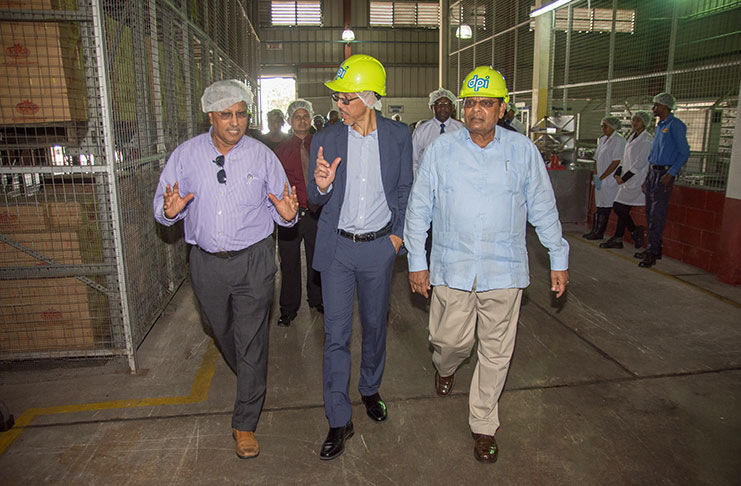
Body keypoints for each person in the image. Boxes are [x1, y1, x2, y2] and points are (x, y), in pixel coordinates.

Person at [404, 66, 569, 464]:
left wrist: (558, 257)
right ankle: (445, 367)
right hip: (452, 268)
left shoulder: (522, 151)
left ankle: (483, 424)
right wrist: (416, 260)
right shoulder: (441, 151)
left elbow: (543, 207)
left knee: (496, 353)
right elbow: (419, 207)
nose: (477, 110)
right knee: (450, 342)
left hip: (504, 271)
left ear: (502, 109)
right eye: (471, 103)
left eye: (486, 103)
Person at [152, 79, 298, 460]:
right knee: (221, 329)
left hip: (254, 261)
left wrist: (288, 214)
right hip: (206, 263)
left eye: (242, 114)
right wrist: (170, 212)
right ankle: (254, 372)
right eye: (226, 115)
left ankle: (244, 423)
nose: (236, 122)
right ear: (210, 116)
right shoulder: (185, 156)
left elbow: (282, 206)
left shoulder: (263, 156)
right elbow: (163, 206)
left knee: (251, 338)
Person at [307, 54, 412, 460]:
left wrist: (397, 239)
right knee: (335, 336)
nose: (338, 105)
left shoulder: (399, 137)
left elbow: (405, 190)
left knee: (374, 327)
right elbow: (316, 199)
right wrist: (321, 186)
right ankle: (338, 418)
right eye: (336, 98)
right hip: (337, 250)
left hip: (378, 249)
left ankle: (369, 388)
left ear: (370, 98)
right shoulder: (327, 138)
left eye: (346, 98)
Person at [274, 100, 324, 326]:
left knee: (317, 260)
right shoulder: (280, 151)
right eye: (297, 117)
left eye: (305, 116)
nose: (302, 120)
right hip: (290, 217)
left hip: (316, 213)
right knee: (289, 263)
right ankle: (288, 308)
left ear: (311, 119)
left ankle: (317, 299)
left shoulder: (321, 144)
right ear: (290, 120)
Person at [636, 92, 690, 268]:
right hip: (653, 172)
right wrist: (647, 176)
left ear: (665, 107)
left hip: (664, 174)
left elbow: (684, 152)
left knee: (657, 214)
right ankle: (654, 248)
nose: (653, 109)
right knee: (650, 212)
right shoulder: (660, 126)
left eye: (656, 105)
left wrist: (672, 172)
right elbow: (654, 154)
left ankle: (652, 251)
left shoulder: (675, 126)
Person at [599, 111, 652, 249]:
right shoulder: (632, 137)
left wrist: (624, 177)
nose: (634, 123)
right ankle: (619, 237)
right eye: (633, 120)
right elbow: (625, 158)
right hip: (627, 179)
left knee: (619, 207)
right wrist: (619, 173)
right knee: (622, 208)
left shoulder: (647, 140)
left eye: (638, 121)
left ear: (645, 123)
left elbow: (640, 162)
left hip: (636, 179)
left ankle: (634, 230)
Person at [582, 116, 626, 240]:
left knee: (606, 205)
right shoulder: (602, 140)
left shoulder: (619, 140)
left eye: (605, 126)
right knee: (600, 205)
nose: (603, 128)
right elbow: (596, 159)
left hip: (609, 179)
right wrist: (596, 175)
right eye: (602, 126)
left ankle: (599, 232)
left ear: (613, 126)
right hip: (600, 178)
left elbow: (616, 161)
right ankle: (595, 230)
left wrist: (602, 176)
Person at [411, 88, 464, 178]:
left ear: (452, 107)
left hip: (456, 181)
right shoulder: (421, 131)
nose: (443, 107)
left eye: (447, 104)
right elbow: (414, 161)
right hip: (427, 182)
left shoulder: (462, 130)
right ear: (431, 107)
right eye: (439, 104)